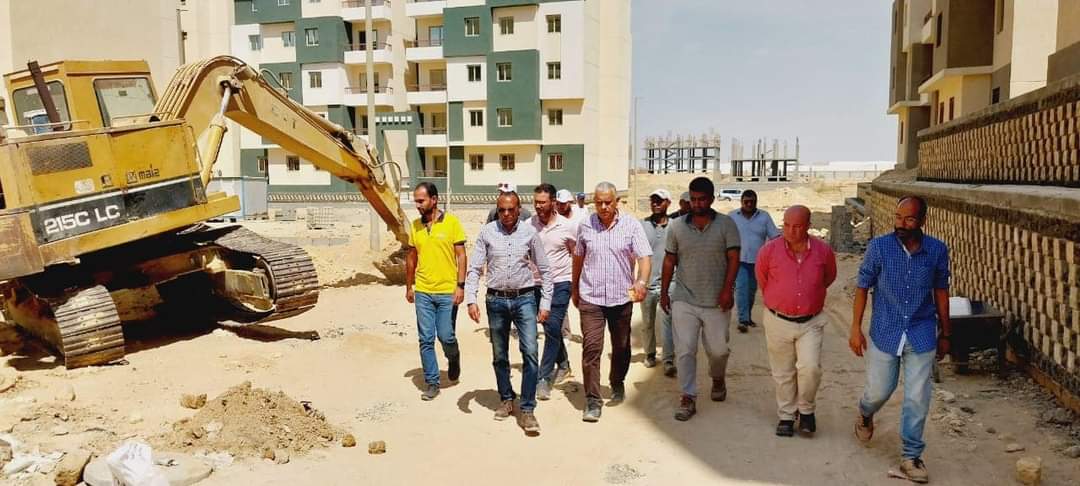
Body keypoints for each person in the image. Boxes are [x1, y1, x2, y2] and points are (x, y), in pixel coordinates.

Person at [850, 196, 951, 484]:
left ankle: (911, 455)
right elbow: (862, 286)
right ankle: (865, 413)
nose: (901, 224)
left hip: (921, 331)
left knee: (917, 396)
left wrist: (946, 332)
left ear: (922, 221)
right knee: (879, 391)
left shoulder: (936, 250)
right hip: (886, 330)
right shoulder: (879, 247)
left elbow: (941, 291)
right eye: (898, 217)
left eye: (908, 219)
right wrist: (855, 328)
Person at [465, 190, 553, 435]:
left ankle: (527, 408)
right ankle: (506, 398)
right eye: (501, 210)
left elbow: (545, 270)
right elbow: (475, 268)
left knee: (530, 352)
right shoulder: (487, 232)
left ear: (519, 209)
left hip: (525, 299)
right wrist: (471, 299)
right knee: (499, 354)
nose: (505, 214)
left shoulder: (530, 233)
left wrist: (545, 303)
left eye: (510, 209)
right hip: (495, 300)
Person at [660, 177, 740, 421]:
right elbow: (669, 260)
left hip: (716, 301)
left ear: (711, 199)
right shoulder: (676, 227)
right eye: (693, 199)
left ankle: (718, 378)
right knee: (685, 349)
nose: (697, 204)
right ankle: (688, 396)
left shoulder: (726, 225)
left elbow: (734, 259)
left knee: (718, 351)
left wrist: (727, 290)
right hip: (684, 298)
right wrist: (664, 292)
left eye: (702, 199)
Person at [572, 181, 652, 422]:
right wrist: (575, 288)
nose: (604, 207)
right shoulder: (585, 225)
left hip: (621, 298)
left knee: (621, 346)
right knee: (591, 348)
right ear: (593, 202)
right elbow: (578, 257)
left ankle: (617, 381)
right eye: (599, 202)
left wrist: (641, 281)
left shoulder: (631, 225)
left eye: (608, 202)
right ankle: (593, 400)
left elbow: (644, 257)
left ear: (617, 201)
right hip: (591, 297)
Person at [756, 205, 837, 437]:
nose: (791, 231)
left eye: (798, 226)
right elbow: (763, 279)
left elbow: (828, 277)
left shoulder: (823, 251)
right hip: (778, 320)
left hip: (811, 321)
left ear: (808, 226)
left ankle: (806, 410)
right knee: (783, 371)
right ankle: (786, 415)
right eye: (787, 225)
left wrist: (809, 296)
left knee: (810, 368)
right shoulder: (769, 251)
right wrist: (782, 298)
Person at [404, 182, 466, 401]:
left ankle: (454, 357)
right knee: (426, 339)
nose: (418, 205)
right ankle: (432, 382)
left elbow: (461, 256)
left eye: (421, 201)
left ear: (434, 199)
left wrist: (460, 286)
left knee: (446, 336)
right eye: (416, 201)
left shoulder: (452, 223)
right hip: (423, 291)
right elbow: (411, 257)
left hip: (447, 291)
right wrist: (409, 286)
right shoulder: (415, 226)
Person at [529, 184, 576, 400]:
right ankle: (563, 364)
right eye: (536, 202)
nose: (538, 206)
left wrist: (576, 283)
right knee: (550, 328)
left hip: (560, 283)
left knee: (552, 327)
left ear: (553, 203)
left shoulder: (568, 226)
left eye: (543, 202)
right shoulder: (528, 225)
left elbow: (576, 254)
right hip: (535, 284)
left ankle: (543, 378)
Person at [729, 189, 781, 333]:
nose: (749, 204)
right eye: (746, 201)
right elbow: (724, 235)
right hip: (739, 260)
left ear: (756, 202)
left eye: (752, 202)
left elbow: (775, 237)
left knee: (751, 290)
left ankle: (747, 316)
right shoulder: (732, 216)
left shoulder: (764, 217)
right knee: (742, 288)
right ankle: (743, 320)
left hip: (758, 261)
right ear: (741, 202)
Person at [639, 188, 676, 376]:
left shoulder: (676, 227)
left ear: (668, 203)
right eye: (653, 200)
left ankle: (668, 359)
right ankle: (650, 353)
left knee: (668, 321)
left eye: (659, 201)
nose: (655, 204)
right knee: (647, 322)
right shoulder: (642, 225)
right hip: (647, 284)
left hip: (670, 284)